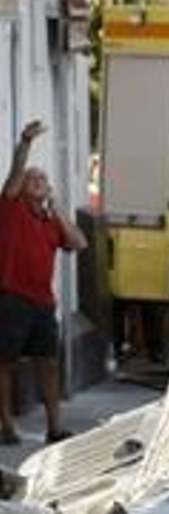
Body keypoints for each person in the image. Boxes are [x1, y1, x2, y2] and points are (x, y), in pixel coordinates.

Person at [0, 121, 89, 445]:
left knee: (48, 363)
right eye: (32, 179)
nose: (38, 181)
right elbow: (15, 172)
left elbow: (80, 244)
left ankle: (54, 427)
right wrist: (25, 141)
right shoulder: (11, 209)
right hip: (12, 298)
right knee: (5, 363)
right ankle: (6, 425)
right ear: (21, 188)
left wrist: (57, 208)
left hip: (42, 302)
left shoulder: (51, 221)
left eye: (43, 179)